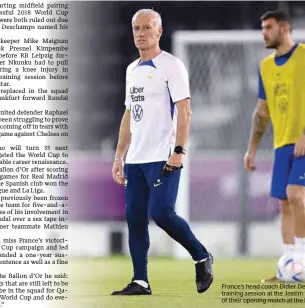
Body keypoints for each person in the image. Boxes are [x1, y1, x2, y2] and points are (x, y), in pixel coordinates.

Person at [111, 9, 214, 295]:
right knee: (134, 218)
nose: (141, 33)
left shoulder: (171, 65)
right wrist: (120, 156)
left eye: (147, 28)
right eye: (136, 28)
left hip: (163, 155)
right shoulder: (132, 70)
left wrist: (179, 150)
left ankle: (201, 255)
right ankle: (140, 281)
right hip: (136, 159)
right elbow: (129, 115)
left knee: (162, 213)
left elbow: (185, 110)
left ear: (159, 31)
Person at [243, 10, 305, 282]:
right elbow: (261, 111)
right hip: (283, 142)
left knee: (296, 195)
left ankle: (302, 264)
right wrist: (253, 148)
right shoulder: (266, 66)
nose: (264, 33)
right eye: (262, 28)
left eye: (268, 27)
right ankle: (288, 266)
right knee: (283, 202)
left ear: (285, 28)